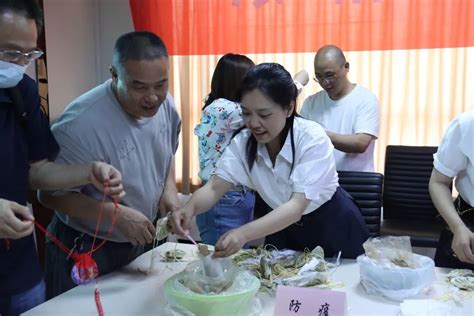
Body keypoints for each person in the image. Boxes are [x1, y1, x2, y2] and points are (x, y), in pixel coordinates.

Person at [171, 63, 369, 259]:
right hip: (281, 224)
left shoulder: (311, 138)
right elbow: (214, 187)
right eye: (246, 113)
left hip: (331, 224)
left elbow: (296, 206)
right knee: (277, 285)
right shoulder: (243, 143)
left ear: (289, 108)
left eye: (264, 114)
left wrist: (243, 233)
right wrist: (190, 208)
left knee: (335, 285)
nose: (254, 123)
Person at [0, 1, 123, 314]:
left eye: (29, 55)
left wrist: (87, 172)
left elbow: (39, 172)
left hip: (18, 269)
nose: (20, 65)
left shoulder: (21, 93)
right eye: (11, 54)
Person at [38, 31, 181, 299]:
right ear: (114, 75)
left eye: (161, 84)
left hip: (140, 240)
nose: (152, 98)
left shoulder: (166, 104)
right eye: (139, 87)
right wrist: (117, 216)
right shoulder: (79, 124)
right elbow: (48, 196)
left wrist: (169, 191)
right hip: (88, 247)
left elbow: (167, 150)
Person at [194, 53, 256, 246]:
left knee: (235, 260)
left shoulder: (226, 108)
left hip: (237, 194)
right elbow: (270, 107)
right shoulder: (224, 109)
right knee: (222, 263)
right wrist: (297, 83)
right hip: (224, 197)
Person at [300, 45, 380, 172]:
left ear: (346, 67)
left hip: (357, 183)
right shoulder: (311, 103)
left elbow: (361, 143)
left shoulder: (365, 99)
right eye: (319, 77)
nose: (325, 82)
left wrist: (319, 134)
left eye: (330, 75)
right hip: (319, 181)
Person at [429, 111, 474, 268]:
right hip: (468, 225)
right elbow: (438, 182)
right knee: (454, 289)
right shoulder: (467, 125)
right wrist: (458, 227)